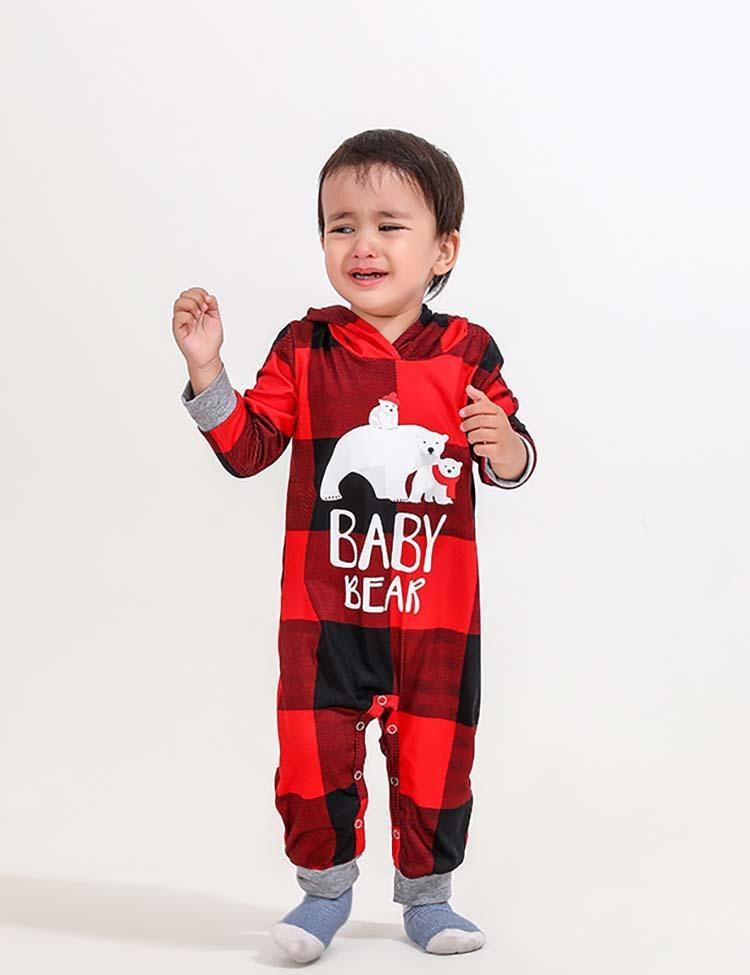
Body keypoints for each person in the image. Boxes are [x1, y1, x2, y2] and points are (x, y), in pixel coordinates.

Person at [172, 128, 537, 962]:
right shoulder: (307, 347)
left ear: (442, 250)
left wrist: (508, 447)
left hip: (434, 617)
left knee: (439, 759)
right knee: (311, 758)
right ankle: (323, 892)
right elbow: (249, 448)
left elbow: (511, 453)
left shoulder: (466, 352)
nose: (362, 244)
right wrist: (207, 372)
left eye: (388, 225)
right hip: (325, 616)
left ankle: (429, 898)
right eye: (341, 225)